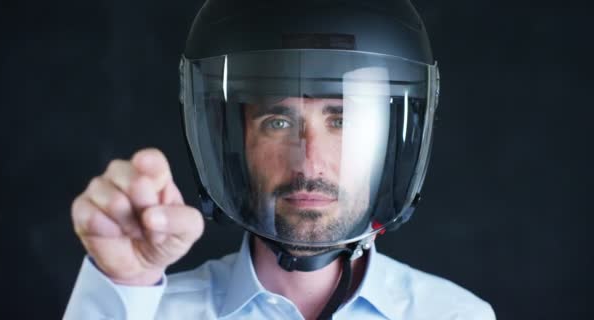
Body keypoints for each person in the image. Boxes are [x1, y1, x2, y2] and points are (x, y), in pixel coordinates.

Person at [64, 0, 496, 319]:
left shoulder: (455, 315)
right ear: (235, 145)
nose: (309, 164)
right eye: (278, 123)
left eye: (341, 121)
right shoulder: (147, 310)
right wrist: (124, 284)